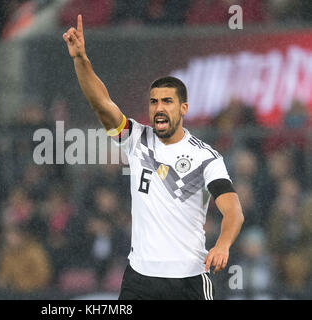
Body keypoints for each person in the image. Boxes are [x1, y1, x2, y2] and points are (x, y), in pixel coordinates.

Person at [62, 15, 244, 300]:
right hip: (140, 279)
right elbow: (102, 104)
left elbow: (233, 211)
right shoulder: (137, 139)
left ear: (183, 108)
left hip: (188, 280)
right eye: (154, 101)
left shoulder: (206, 158)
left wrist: (222, 244)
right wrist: (81, 59)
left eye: (167, 101)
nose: (159, 108)